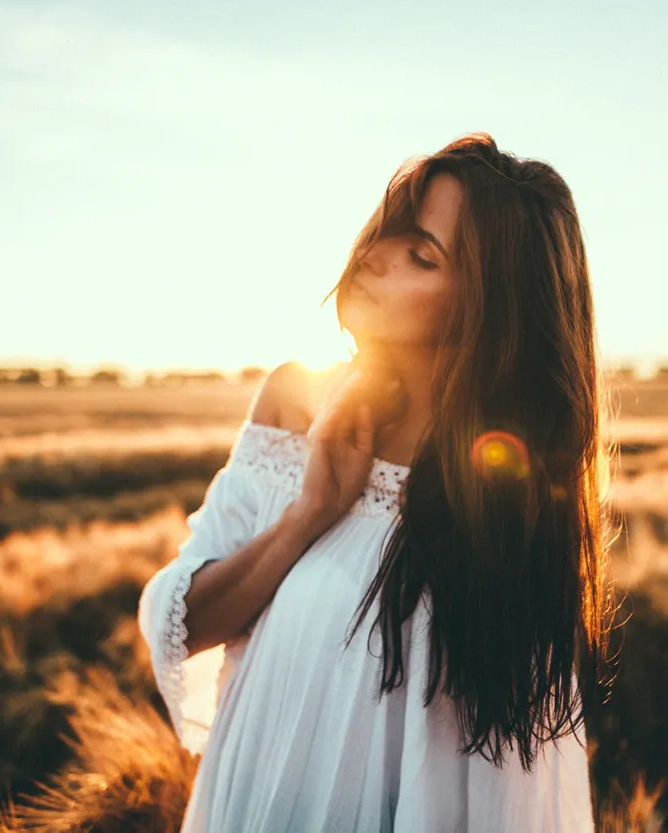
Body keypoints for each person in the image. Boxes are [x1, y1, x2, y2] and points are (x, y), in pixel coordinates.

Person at [138, 132, 618, 831]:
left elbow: (502, 790)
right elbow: (182, 626)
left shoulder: (506, 499)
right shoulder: (295, 403)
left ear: (491, 308)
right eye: (390, 231)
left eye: (421, 256)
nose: (373, 255)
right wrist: (308, 515)